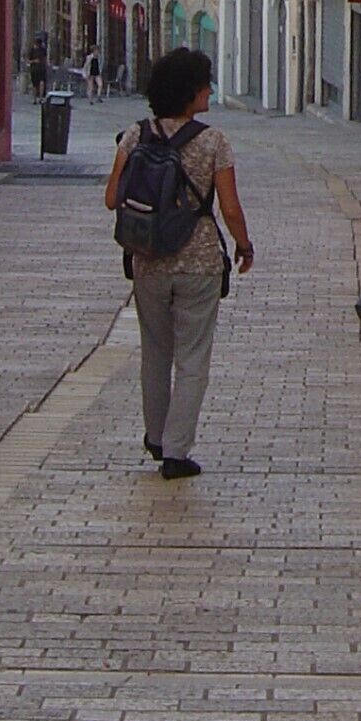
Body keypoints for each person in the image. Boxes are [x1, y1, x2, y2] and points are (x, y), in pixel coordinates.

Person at [103, 47, 254, 480]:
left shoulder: (135, 135)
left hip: (148, 261)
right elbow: (230, 208)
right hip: (199, 262)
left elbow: (112, 198)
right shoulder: (214, 142)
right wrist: (244, 246)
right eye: (205, 84)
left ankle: (155, 435)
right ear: (190, 92)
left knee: (155, 352)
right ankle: (176, 450)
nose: (210, 90)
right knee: (192, 358)